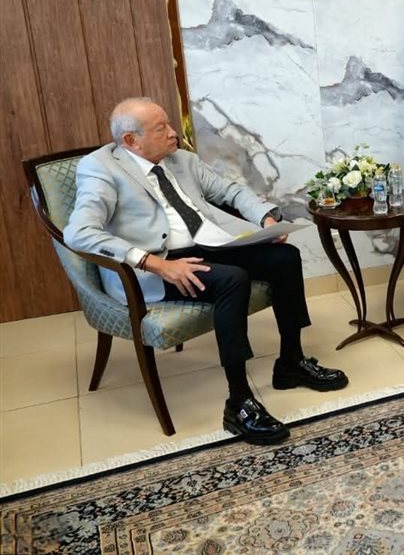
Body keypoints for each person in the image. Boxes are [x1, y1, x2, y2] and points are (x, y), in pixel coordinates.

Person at [65, 98, 348, 445]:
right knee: (231, 280)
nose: (174, 133)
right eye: (161, 128)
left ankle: (291, 362)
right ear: (131, 141)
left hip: (208, 244)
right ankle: (239, 401)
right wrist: (156, 264)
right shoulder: (101, 168)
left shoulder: (181, 160)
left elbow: (230, 191)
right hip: (158, 264)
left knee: (284, 257)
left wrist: (266, 218)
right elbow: (80, 232)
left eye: (169, 124)